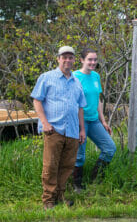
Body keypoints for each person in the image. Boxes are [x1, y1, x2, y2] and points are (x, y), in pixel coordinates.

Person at [31, 45, 86, 210]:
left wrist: (82, 130)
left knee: (67, 166)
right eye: (64, 57)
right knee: (50, 166)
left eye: (70, 57)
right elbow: (37, 100)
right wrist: (45, 123)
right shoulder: (47, 78)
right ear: (58, 59)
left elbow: (80, 107)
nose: (67, 60)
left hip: (72, 131)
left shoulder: (77, 82)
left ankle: (60, 196)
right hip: (53, 129)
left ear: (74, 60)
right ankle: (48, 200)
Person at [72, 48, 116, 193]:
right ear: (82, 60)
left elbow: (98, 100)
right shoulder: (74, 77)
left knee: (110, 148)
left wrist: (103, 121)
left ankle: (96, 179)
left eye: (95, 60)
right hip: (80, 121)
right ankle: (77, 185)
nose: (93, 62)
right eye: (90, 59)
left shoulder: (96, 76)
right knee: (80, 155)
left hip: (94, 120)